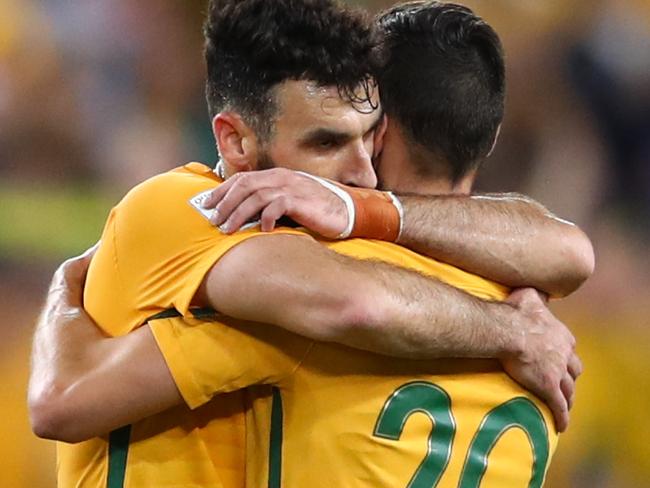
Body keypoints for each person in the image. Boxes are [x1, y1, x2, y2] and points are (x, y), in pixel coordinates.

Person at [28, 1, 591, 487]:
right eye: (326, 142)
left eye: (363, 139)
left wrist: (63, 294)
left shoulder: (317, 291)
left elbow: (64, 397)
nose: (361, 176)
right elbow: (570, 252)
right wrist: (511, 328)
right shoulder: (516, 292)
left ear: (385, 130)